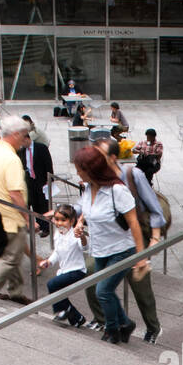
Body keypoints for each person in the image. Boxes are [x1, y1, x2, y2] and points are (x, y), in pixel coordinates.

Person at [94, 136, 164, 343]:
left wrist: (155, 238)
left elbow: (155, 209)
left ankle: (153, 327)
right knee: (96, 281)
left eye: (100, 155)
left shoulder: (133, 174)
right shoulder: (95, 177)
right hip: (110, 238)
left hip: (134, 236)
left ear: (113, 157)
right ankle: (110, 322)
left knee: (139, 285)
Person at [72, 145, 144, 343]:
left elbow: (133, 222)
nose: (77, 172)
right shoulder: (88, 188)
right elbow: (88, 209)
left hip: (122, 249)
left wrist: (141, 256)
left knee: (102, 291)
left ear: (92, 170)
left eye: (80, 169)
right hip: (100, 248)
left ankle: (112, 330)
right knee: (105, 290)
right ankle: (125, 324)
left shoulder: (117, 191)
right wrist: (79, 223)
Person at [0, 114, 32, 303]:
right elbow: (15, 193)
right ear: (16, 134)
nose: (25, 140)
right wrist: (26, 217)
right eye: (24, 135)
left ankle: (16, 291)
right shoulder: (11, 159)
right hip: (9, 216)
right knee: (11, 256)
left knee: (11, 254)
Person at [39, 204, 88, 327]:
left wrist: (81, 236)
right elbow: (57, 251)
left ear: (72, 221)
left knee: (52, 284)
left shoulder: (74, 234)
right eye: (57, 220)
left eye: (63, 220)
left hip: (77, 270)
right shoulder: (58, 234)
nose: (59, 223)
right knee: (57, 289)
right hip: (64, 270)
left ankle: (62, 311)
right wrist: (49, 261)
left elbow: (85, 246)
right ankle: (76, 318)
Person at [22, 124, 55, 238]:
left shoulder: (41, 148)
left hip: (41, 180)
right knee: (34, 204)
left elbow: (48, 164)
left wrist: (49, 180)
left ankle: (46, 226)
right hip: (30, 181)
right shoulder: (22, 151)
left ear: (27, 138)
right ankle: (39, 224)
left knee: (43, 204)